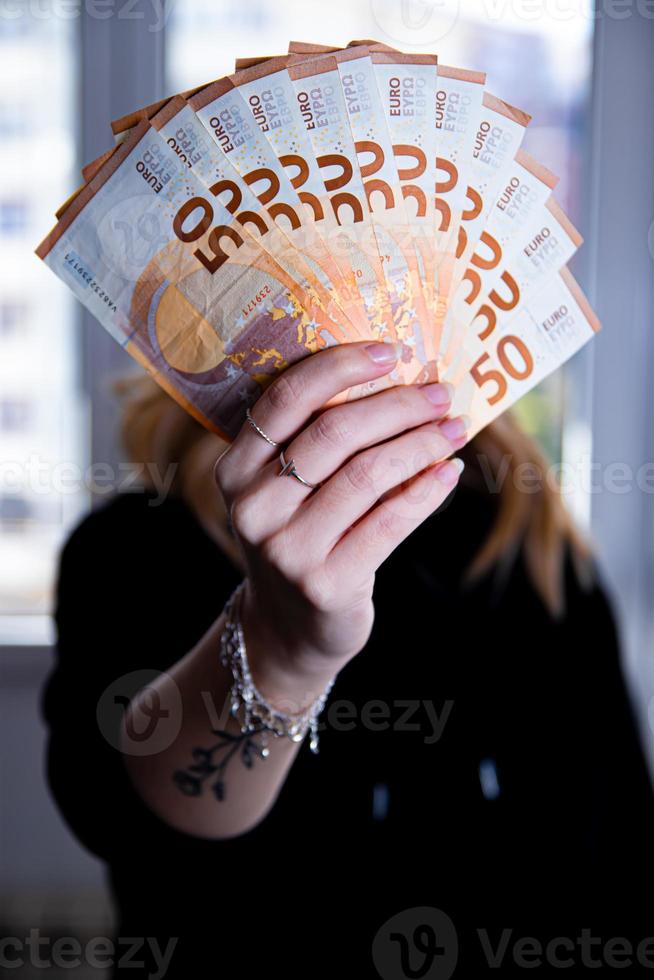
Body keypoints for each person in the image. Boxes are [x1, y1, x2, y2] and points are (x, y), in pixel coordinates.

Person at [42, 342, 654, 978]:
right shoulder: (133, 550)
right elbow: (123, 818)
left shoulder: (538, 551)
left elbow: (620, 848)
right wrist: (280, 654)